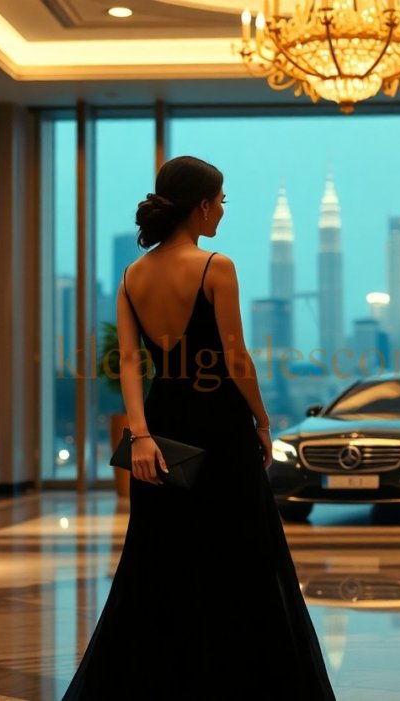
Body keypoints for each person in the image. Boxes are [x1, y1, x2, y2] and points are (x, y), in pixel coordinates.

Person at [62, 156, 336, 700]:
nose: (223, 211)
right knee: (241, 557)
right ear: (202, 205)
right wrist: (262, 419)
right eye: (221, 200)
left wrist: (139, 433)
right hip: (220, 426)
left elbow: (130, 362)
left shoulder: (132, 275)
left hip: (163, 429)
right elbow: (235, 358)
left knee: (161, 559)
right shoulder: (216, 266)